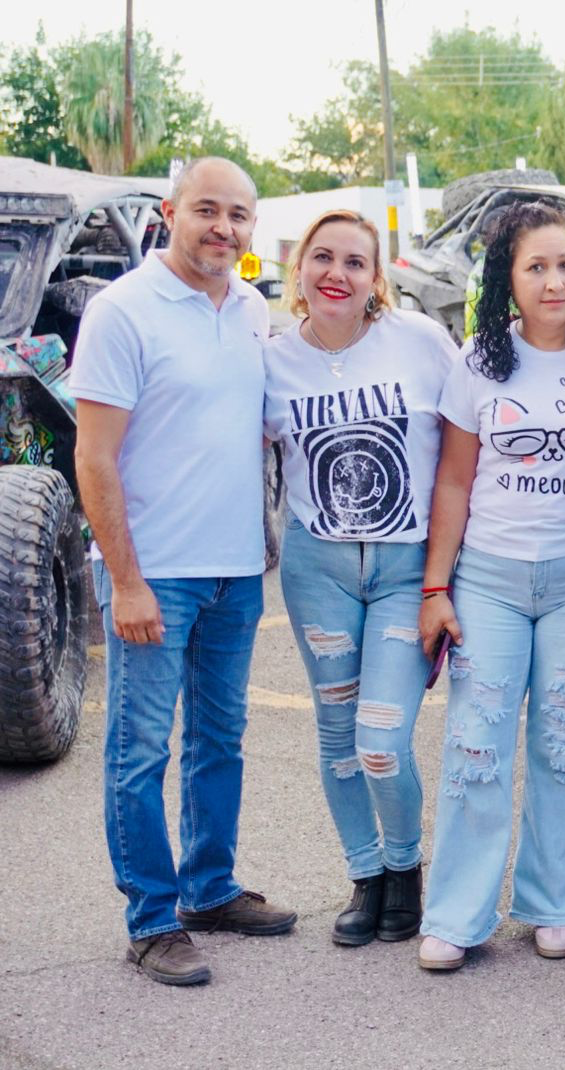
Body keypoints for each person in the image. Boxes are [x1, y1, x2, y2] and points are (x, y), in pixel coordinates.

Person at [71, 157, 297, 986]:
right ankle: (152, 920)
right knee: (138, 752)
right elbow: (93, 458)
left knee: (217, 743)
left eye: (239, 215)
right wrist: (126, 581)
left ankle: (210, 888)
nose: (223, 229)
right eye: (207, 210)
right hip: (154, 574)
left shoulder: (248, 307)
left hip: (237, 571)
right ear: (171, 212)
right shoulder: (122, 311)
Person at [412, 199, 565, 971]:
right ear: (507, 278)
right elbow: (453, 482)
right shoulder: (478, 361)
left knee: (564, 745)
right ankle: (456, 916)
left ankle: (555, 903)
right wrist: (434, 588)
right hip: (488, 581)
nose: (554, 282)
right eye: (536, 267)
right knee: (476, 745)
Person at [264, 209, 457, 948]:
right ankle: (366, 874)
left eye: (354, 261)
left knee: (381, 738)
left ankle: (405, 867)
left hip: (407, 567)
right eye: (322, 258)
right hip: (319, 570)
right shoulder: (273, 360)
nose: (336, 274)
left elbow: (469, 443)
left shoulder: (421, 342)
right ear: (300, 270)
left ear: (377, 278)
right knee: (338, 734)